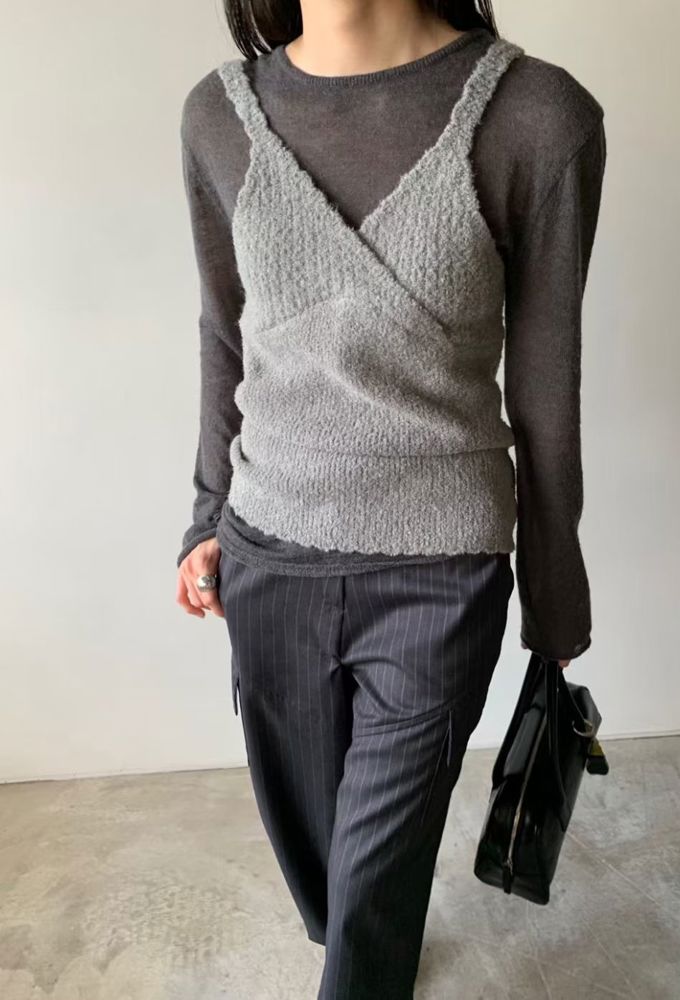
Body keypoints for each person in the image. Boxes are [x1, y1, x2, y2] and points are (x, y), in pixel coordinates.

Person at [175, 1, 606, 996]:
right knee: (322, 868)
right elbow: (225, 335)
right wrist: (206, 514)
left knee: (374, 877)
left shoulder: (538, 116)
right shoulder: (217, 116)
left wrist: (555, 599)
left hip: (440, 572)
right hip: (269, 552)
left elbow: (548, 386)